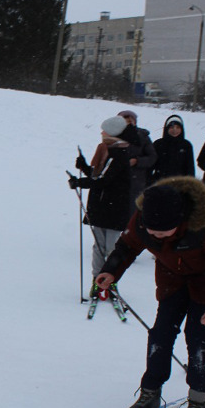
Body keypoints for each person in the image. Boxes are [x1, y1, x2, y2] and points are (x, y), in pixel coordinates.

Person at [95, 177, 205, 408]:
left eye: (162, 231)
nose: (155, 236)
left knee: (198, 337)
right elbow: (127, 246)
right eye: (151, 231)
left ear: (180, 221)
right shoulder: (143, 220)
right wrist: (111, 271)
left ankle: (199, 402)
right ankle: (150, 394)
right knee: (160, 334)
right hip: (172, 281)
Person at [69, 116, 131, 297]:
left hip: (114, 208)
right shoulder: (107, 151)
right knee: (99, 247)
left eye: (105, 130)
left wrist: (80, 182)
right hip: (102, 206)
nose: (102, 133)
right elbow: (99, 176)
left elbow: (104, 180)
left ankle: (109, 282)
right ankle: (97, 281)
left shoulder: (118, 153)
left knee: (111, 248)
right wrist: (85, 168)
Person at [118, 110, 157, 216]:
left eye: (130, 122)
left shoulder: (142, 136)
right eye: (124, 122)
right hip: (117, 180)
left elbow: (152, 157)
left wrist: (137, 161)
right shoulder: (113, 136)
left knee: (133, 213)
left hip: (136, 181)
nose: (127, 124)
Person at [150, 114, 194, 184]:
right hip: (160, 183)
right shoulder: (158, 144)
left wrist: (190, 185)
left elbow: (190, 169)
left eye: (177, 127)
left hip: (180, 184)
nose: (174, 130)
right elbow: (150, 165)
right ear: (166, 128)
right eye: (172, 127)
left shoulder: (186, 145)